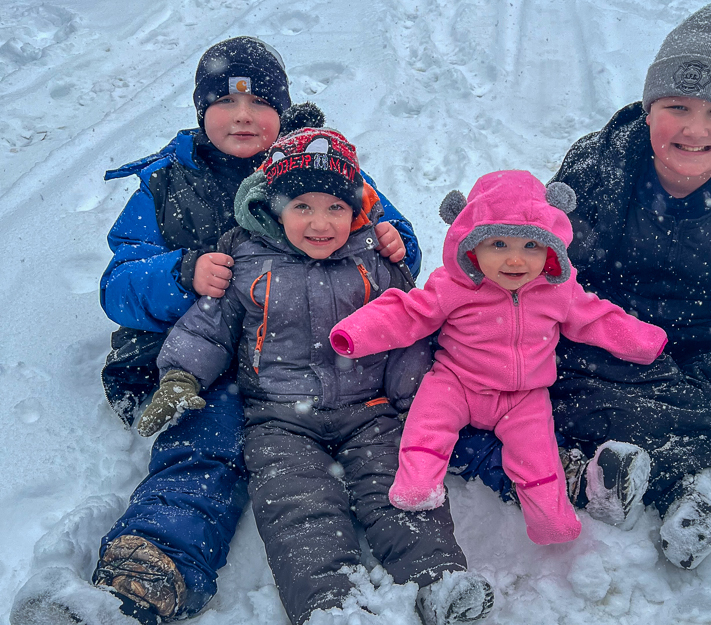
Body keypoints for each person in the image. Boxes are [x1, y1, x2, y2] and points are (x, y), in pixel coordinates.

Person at [10, 37, 419, 625]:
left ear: (283, 110)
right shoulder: (167, 182)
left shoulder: (318, 166)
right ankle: (148, 567)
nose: (244, 116)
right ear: (201, 111)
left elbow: (390, 233)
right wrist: (183, 274)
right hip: (191, 357)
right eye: (226, 103)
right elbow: (118, 286)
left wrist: (395, 241)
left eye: (261, 103)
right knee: (211, 433)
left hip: (293, 356)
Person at [452, 1, 711, 570]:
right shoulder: (595, 164)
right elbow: (544, 277)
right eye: (676, 106)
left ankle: (624, 456)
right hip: (607, 334)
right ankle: (608, 470)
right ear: (648, 106)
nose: (694, 129)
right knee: (509, 373)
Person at [138, 126, 493, 625]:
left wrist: (418, 403)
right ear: (274, 206)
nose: (320, 223)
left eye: (335, 208)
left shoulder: (376, 262)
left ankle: (439, 578)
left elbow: (407, 337)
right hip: (278, 418)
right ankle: (329, 604)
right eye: (302, 206)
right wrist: (180, 377)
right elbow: (209, 327)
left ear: (356, 211)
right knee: (298, 508)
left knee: (403, 486)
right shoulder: (244, 259)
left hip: (370, 411)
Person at [329, 170, 668, 546]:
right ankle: (417, 485)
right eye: (499, 245)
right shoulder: (455, 285)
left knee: (538, 461)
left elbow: (598, 318)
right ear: (472, 246)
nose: (515, 261)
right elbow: (409, 312)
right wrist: (355, 333)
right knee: (428, 424)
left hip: (524, 397)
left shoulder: (559, 292)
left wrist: (645, 340)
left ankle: (552, 523)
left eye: (531, 247)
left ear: (550, 248)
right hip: (457, 382)